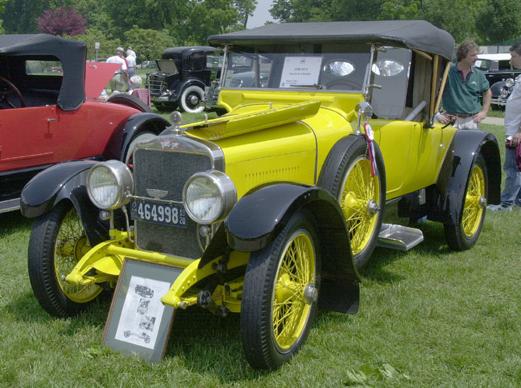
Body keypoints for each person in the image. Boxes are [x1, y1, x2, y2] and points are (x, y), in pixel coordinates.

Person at [487, 41, 521, 212]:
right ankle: (517, 200)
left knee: (512, 166)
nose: (511, 60)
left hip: (515, 132)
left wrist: (519, 132)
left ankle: (506, 203)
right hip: (512, 130)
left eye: (513, 56)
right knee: (518, 166)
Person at [438, 40, 491, 130]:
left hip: (472, 121)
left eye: (476, 55)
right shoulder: (448, 71)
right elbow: (435, 91)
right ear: (462, 56)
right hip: (451, 120)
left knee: (471, 144)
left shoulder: (479, 74)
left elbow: (487, 92)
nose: (476, 58)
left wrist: (484, 112)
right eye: (472, 55)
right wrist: (437, 114)